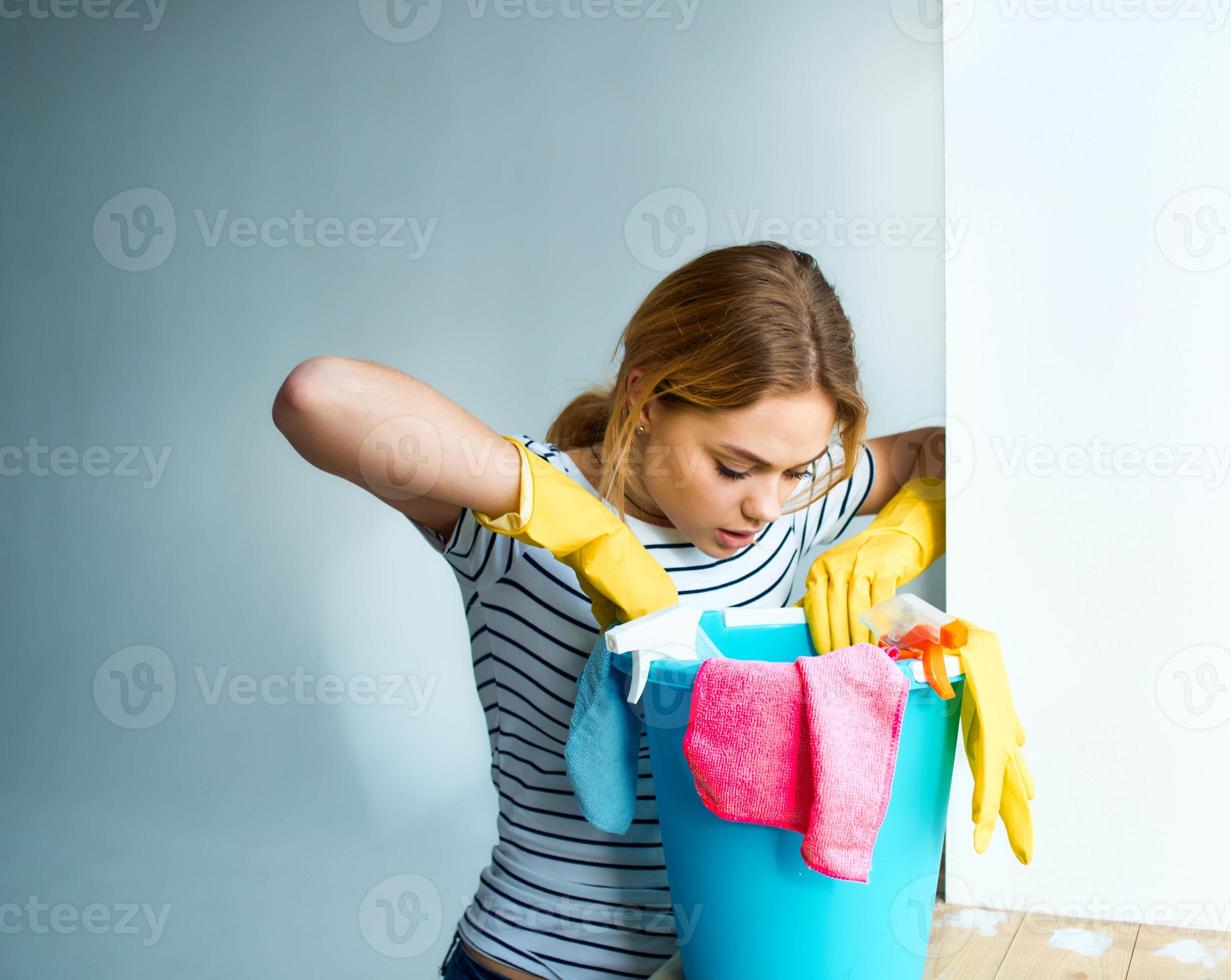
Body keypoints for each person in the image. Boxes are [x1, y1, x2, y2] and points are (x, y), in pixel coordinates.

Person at [272, 242, 946, 979]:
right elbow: (315, 398)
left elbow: (944, 452)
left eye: (797, 468)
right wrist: (582, 529)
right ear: (644, 398)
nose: (765, 504)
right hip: (536, 966)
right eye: (733, 466)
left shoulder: (787, 508)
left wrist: (895, 540)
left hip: (727, 960)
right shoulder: (521, 527)